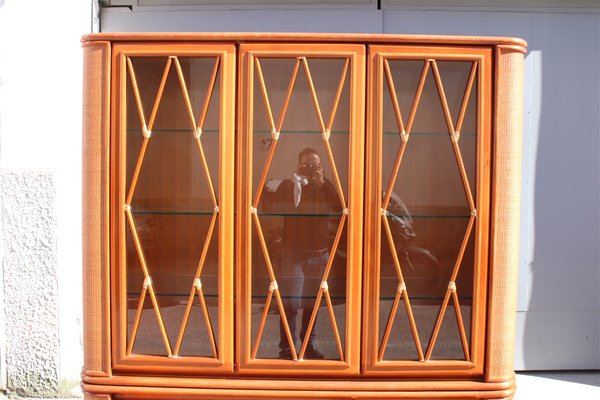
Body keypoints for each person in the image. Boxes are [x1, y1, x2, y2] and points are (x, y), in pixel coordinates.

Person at [274, 147, 341, 360]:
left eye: (317, 165)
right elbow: (272, 206)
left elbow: (340, 208)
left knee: (312, 304)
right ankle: (287, 349)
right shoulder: (289, 185)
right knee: (291, 303)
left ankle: (308, 346)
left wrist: (324, 184)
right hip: (293, 254)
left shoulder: (325, 186)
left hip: (319, 255)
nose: (312, 169)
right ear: (298, 166)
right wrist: (289, 185)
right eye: (308, 165)